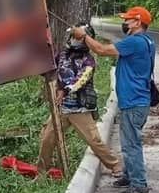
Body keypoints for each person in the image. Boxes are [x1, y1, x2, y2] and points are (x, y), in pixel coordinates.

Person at [71, 7, 155, 193]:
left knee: (131, 144)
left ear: (138, 22)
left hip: (134, 101)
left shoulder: (135, 42)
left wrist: (84, 37)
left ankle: (139, 184)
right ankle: (130, 175)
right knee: (130, 140)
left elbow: (101, 50)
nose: (125, 23)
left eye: (128, 20)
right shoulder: (147, 42)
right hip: (138, 99)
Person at [37, 25, 122, 177]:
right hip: (61, 107)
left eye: (78, 37)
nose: (73, 40)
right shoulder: (62, 55)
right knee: (47, 138)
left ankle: (115, 165)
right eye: (73, 36)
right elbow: (49, 69)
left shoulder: (88, 60)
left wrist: (65, 90)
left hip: (79, 108)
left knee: (94, 140)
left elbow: (81, 79)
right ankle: (42, 174)